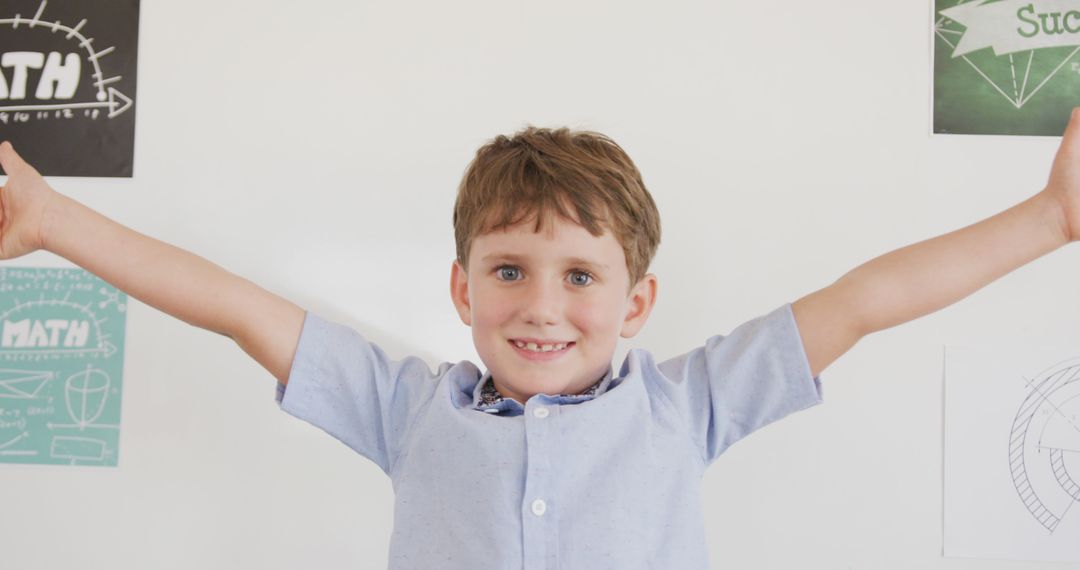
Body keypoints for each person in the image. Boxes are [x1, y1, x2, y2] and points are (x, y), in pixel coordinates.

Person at [0, 111, 1077, 569]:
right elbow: (236, 306)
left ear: (638, 303)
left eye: (580, 276)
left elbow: (864, 299)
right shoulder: (408, 411)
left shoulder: (685, 404)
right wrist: (53, 220)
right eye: (510, 272)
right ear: (462, 289)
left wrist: (1048, 220)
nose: (542, 308)